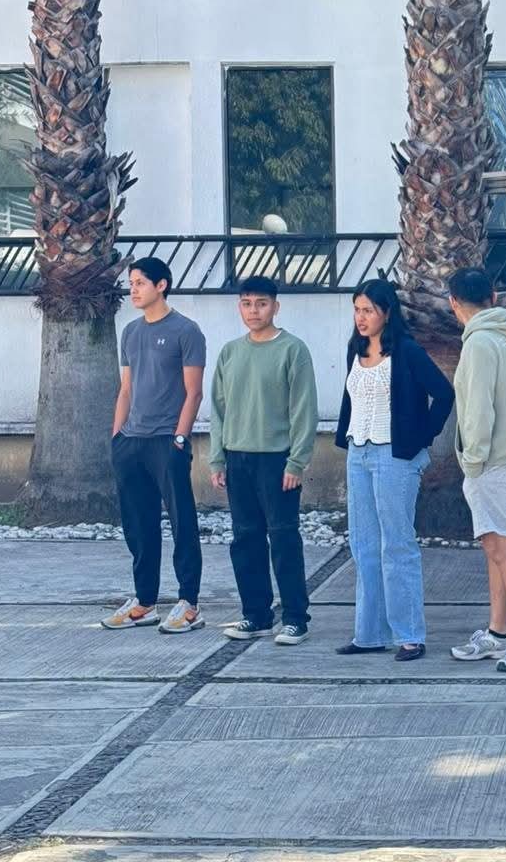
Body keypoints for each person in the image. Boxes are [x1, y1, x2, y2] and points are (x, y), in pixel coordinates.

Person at [334, 279, 454, 662]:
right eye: (357, 310)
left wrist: (422, 437)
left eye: (368, 310)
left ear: (386, 312)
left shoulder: (407, 351)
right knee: (363, 544)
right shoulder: (355, 349)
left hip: (394, 456)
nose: (361, 318)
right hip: (358, 453)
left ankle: (410, 635)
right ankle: (369, 634)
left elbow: (444, 394)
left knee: (397, 545)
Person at [209, 276, 318, 645]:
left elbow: (304, 409)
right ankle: (255, 615)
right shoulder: (230, 352)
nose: (253, 311)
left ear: (275, 306)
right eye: (246, 303)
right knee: (245, 538)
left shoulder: (293, 350)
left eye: (261, 303)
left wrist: (296, 462)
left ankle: (295, 618)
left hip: (277, 460)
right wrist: (217, 459)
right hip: (237, 458)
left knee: (283, 537)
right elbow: (218, 410)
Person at [102, 257, 206, 634]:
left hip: (167, 442)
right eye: (131, 283)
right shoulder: (130, 332)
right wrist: (117, 437)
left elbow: (194, 392)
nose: (133, 290)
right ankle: (144, 602)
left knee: (182, 522)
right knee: (138, 524)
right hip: (131, 442)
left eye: (140, 283)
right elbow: (126, 389)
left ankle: (189, 603)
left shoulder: (186, 331)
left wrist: (180, 438)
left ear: (161, 285)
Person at [448, 267, 506, 672]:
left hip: (493, 460)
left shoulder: (479, 343)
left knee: (502, 548)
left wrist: (472, 461)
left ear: (453, 302)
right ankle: (498, 632)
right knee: (496, 548)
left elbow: (477, 409)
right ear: (492, 295)